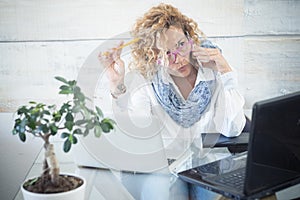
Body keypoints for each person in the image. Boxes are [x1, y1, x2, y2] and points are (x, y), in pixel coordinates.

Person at [98, 3, 246, 200]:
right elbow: (135, 133)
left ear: (190, 39)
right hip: (166, 171)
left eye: (181, 45)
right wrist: (117, 86)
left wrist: (226, 71)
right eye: (167, 53)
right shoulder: (147, 84)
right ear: (153, 56)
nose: (178, 59)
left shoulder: (211, 71)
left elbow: (233, 129)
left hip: (206, 167)